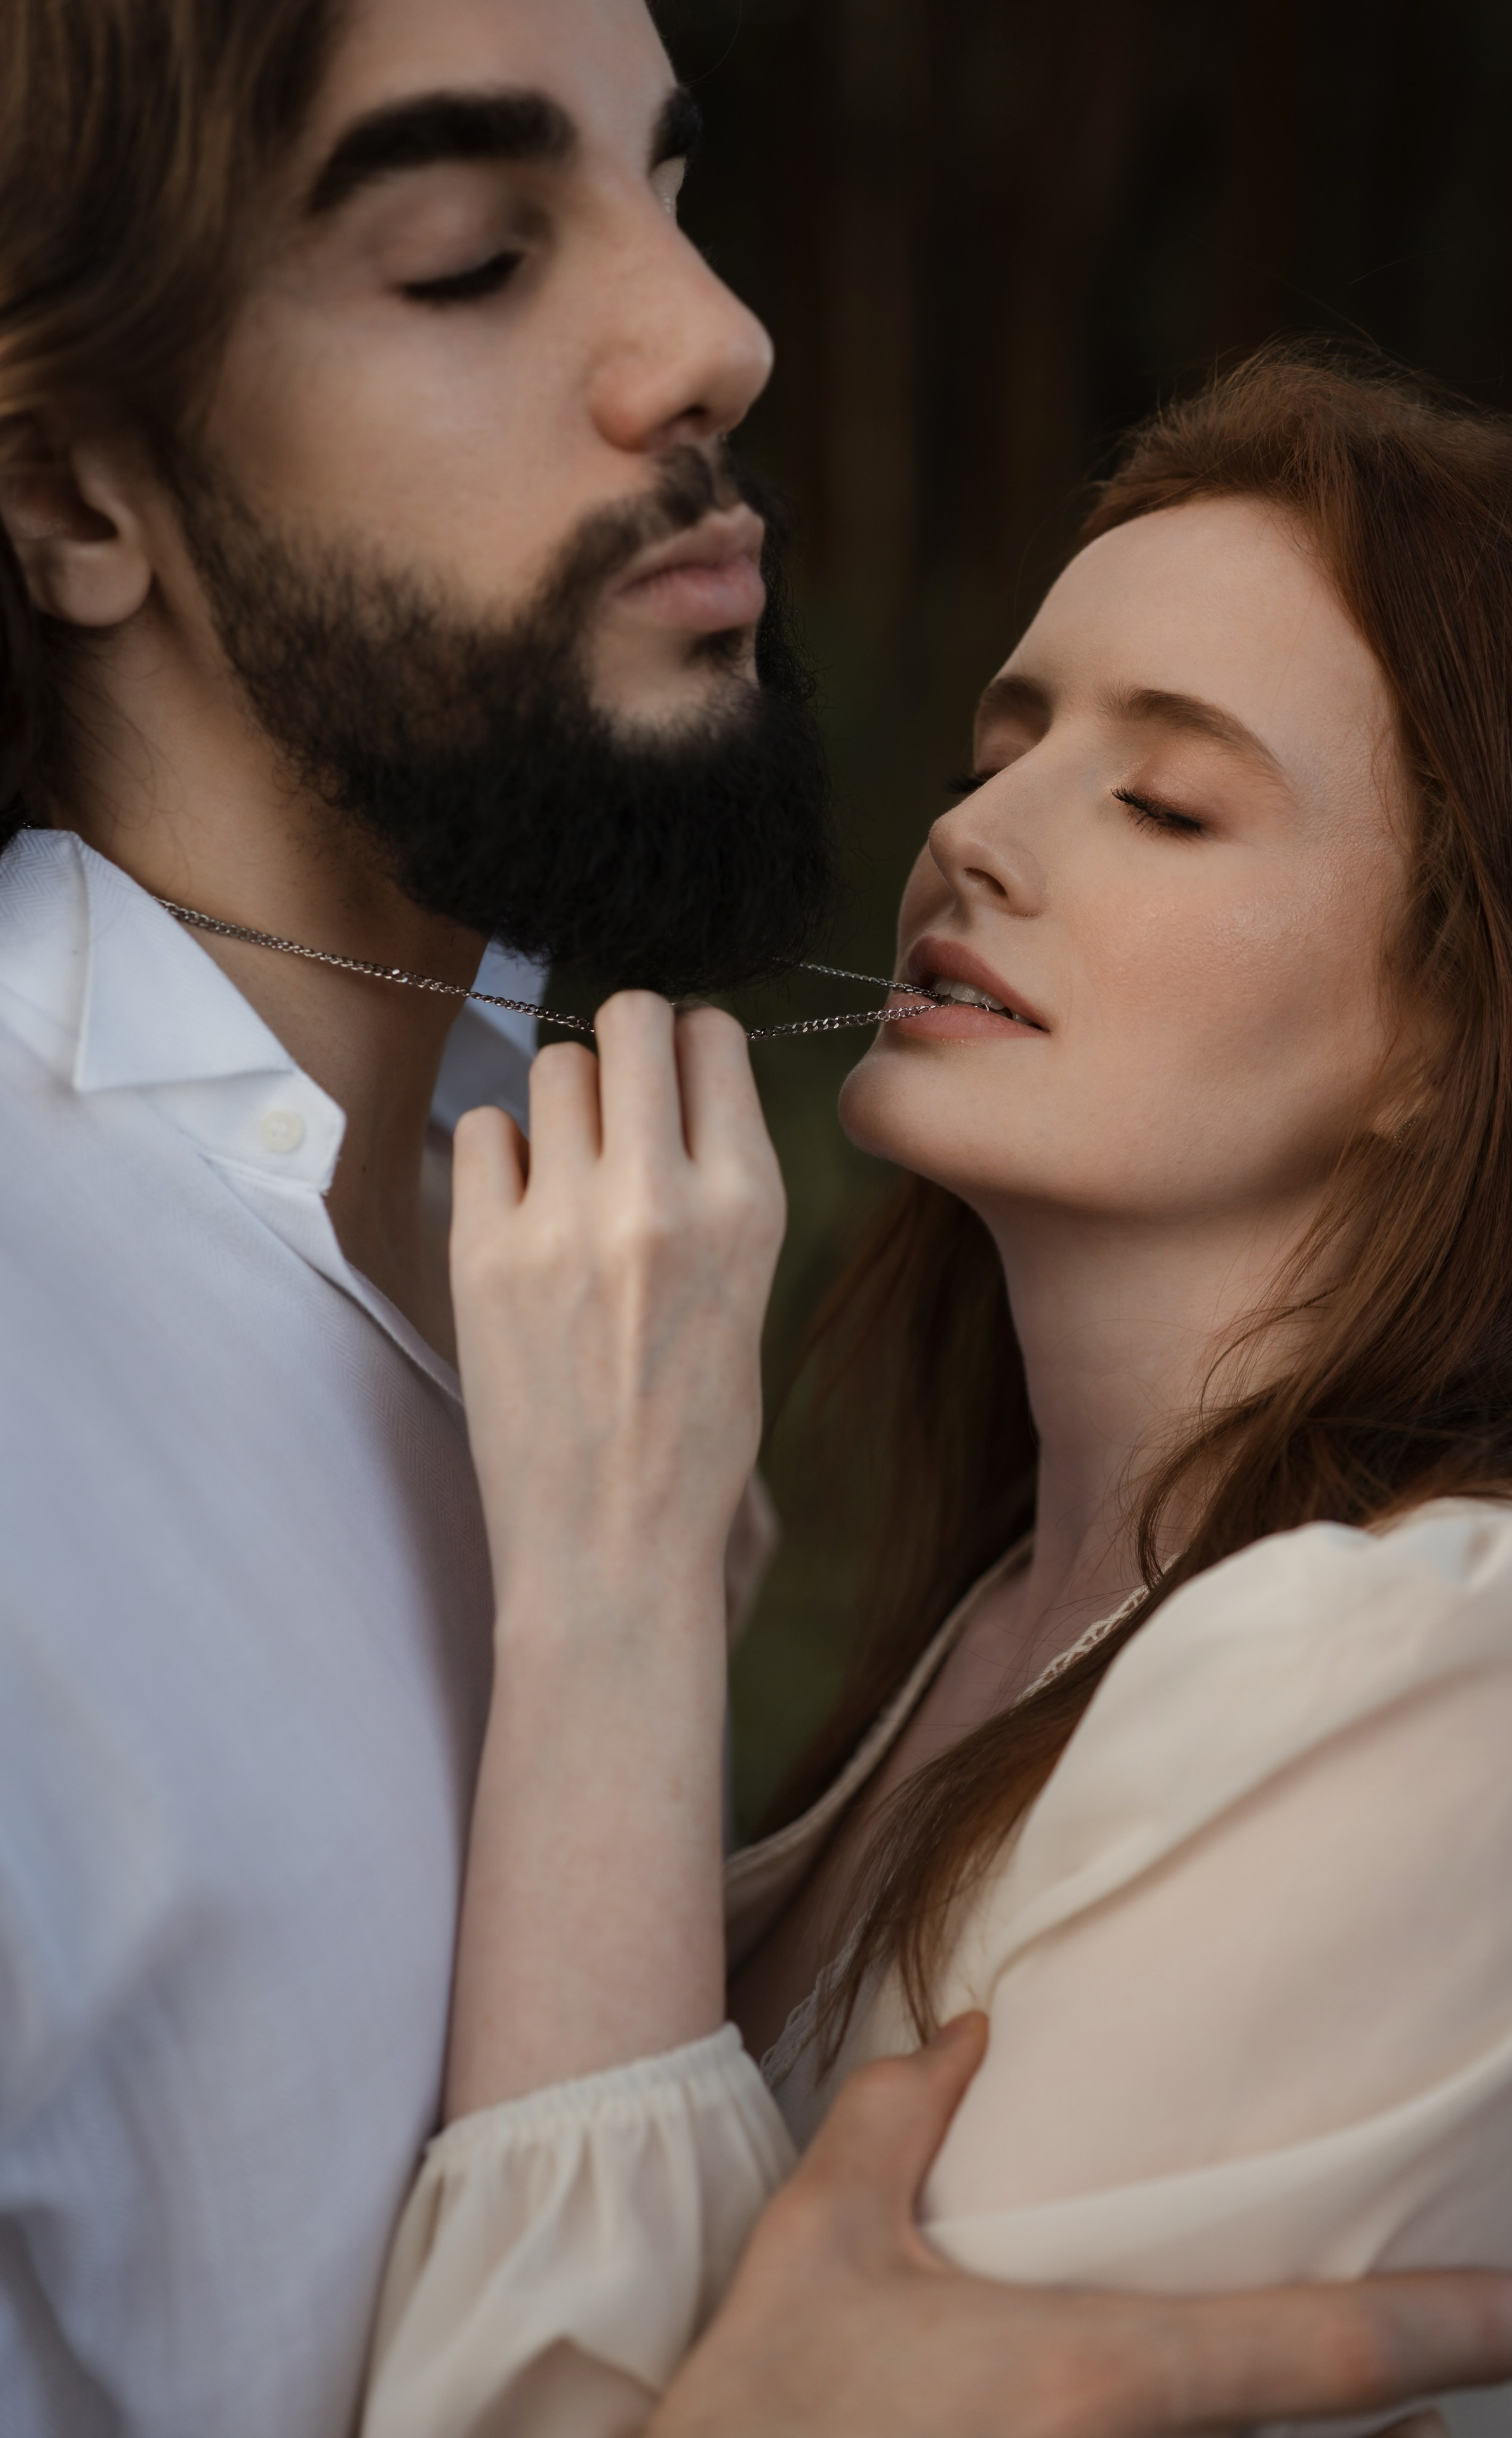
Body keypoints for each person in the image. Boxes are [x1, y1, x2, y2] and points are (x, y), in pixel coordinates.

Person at [0, 0, 1508, 2427]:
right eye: (469, 256)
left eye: (674, 179)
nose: (722, 332)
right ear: (77, 501)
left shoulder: (559, 1295)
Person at [359, 344, 1512, 2438]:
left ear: (1447, 1032)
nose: (974, 831)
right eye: (1008, 744)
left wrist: (609, 1602)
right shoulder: (1009, 1609)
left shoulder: (1423, 1671)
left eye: (1167, 797)